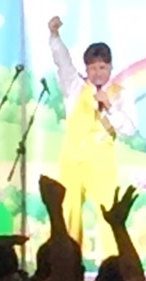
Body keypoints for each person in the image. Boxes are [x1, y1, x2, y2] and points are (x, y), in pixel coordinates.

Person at [48, 15, 137, 260]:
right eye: (93, 68)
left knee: (108, 212)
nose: (97, 73)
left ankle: (112, 265)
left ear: (110, 68)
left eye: (102, 67)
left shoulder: (120, 94)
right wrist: (55, 36)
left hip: (101, 162)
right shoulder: (74, 87)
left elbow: (129, 129)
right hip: (72, 159)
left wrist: (109, 106)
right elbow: (62, 62)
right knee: (69, 211)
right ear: (86, 69)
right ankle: (68, 265)